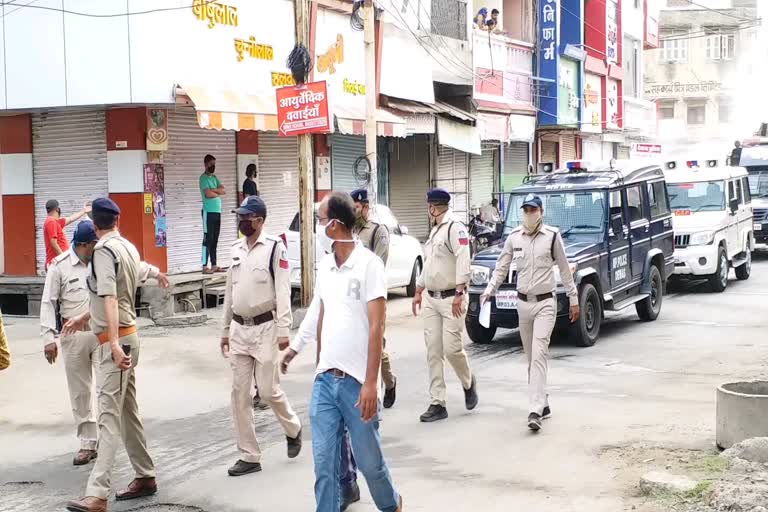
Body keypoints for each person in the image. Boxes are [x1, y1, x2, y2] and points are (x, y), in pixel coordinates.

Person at [64, 198, 170, 512]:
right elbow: (123, 284)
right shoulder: (127, 247)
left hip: (117, 340)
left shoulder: (102, 252)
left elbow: (110, 297)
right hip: (127, 337)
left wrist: (110, 343)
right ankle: (145, 475)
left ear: (94, 225)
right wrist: (85, 318)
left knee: (108, 417)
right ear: (117, 221)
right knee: (127, 412)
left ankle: (97, 494)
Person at [309, 191, 402, 512]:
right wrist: (318, 366)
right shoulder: (324, 267)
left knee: (370, 465)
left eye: (320, 220)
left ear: (334, 224)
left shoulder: (369, 265)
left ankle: (392, 505)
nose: (318, 226)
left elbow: (377, 326)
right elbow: (323, 316)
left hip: (356, 384)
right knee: (325, 468)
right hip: (325, 383)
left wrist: (370, 383)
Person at [480, 193, 579, 431]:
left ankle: (534, 410)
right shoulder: (514, 238)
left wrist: (573, 298)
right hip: (523, 304)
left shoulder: (553, 236)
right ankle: (543, 401)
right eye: (525, 210)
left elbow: (565, 270)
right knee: (530, 358)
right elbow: (502, 266)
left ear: (541, 212)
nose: (529, 214)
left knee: (539, 354)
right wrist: (489, 290)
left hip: (546, 303)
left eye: (533, 210)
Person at [220, 195, 302, 477]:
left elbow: (283, 291)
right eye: (240, 217)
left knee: (267, 391)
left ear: (259, 220)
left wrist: (283, 330)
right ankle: (249, 455)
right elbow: (230, 293)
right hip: (239, 329)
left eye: (246, 217)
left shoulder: (275, 249)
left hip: (266, 329)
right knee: (240, 394)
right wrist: (224, 331)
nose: (241, 222)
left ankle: (293, 427)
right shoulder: (235, 249)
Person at [412, 188, 478, 423]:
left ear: (434, 207)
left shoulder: (454, 227)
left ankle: (468, 382)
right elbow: (430, 264)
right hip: (432, 298)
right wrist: (419, 289)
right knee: (433, 351)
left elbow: (463, 258)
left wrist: (460, 291)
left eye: (430, 206)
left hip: (452, 298)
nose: (429, 210)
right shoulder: (435, 230)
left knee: (452, 349)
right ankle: (438, 402)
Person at [41, 220, 100, 466]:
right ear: (83, 244)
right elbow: (48, 303)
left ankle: (108, 439)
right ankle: (88, 443)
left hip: (101, 332)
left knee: (107, 389)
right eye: (93, 244)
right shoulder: (60, 266)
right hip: (72, 336)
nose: (96, 247)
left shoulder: (101, 260)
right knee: (80, 391)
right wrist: (48, 338)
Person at [351, 188, 397, 408]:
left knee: (376, 346)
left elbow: (378, 265)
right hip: (352, 299)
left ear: (366, 207)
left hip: (373, 298)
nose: (353, 211)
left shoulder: (378, 231)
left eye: (357, 207)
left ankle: (388, 382)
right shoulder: (348, 231)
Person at [44, 199, 90, 269]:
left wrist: (83, 211)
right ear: (57, 209)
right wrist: (63, 258)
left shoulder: (56, 222)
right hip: (56, 263)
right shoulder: (51, 221)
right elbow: (53, 243)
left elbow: (71, 218)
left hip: (58, 262)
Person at [200, 154, 226, 274]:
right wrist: (217, 192)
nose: (213, 166)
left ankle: (214, 264)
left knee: (215, 239)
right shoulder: (203, 178)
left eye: (214, 164)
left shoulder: (214, 178)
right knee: (207, 238)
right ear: (206, 165)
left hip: (217, 212)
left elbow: (223, 190)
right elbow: (208, 194)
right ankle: (205, 266)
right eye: (211, 164)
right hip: (208, 212)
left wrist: (214, 191)